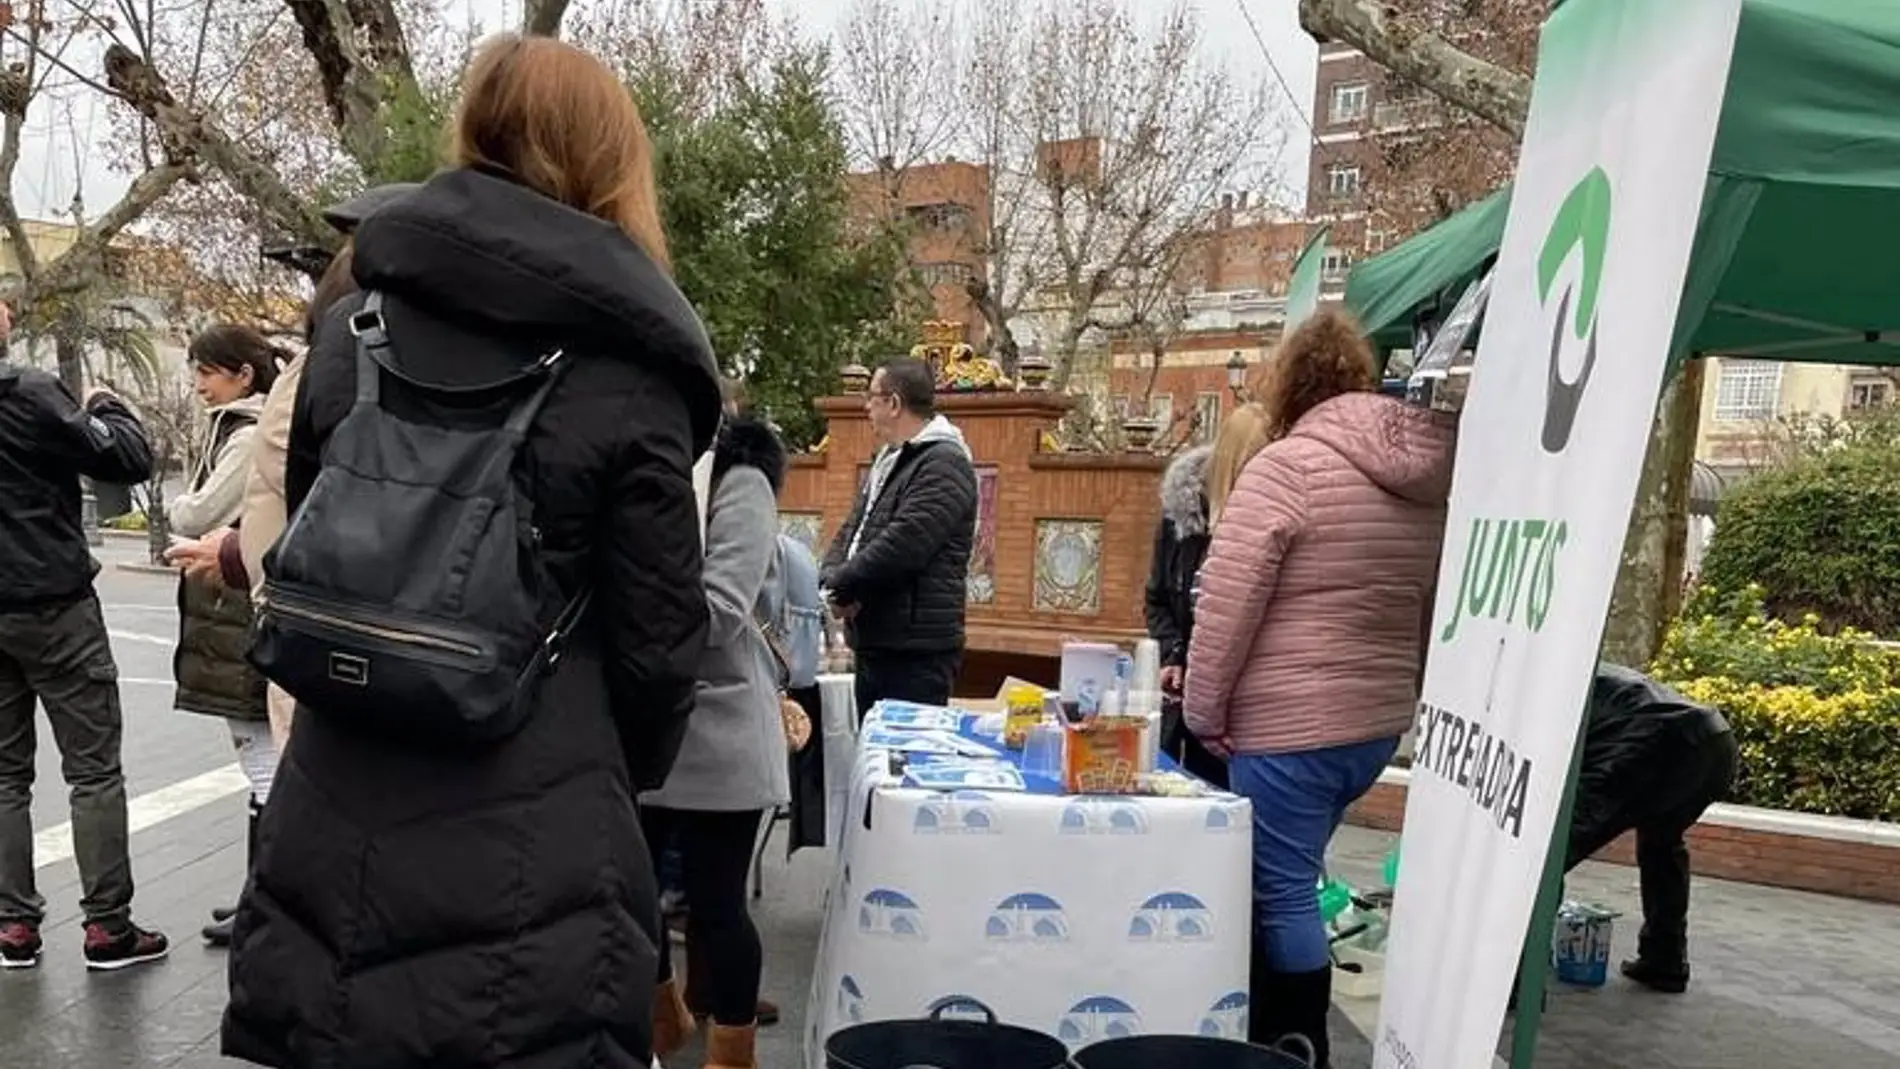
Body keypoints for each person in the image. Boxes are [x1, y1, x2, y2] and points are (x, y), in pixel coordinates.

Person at [221, 33, 721, 1069]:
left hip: (335, 798)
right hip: (535, 830)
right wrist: (595, 767)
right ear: (610, 161)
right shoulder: (633, 376)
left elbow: (314, 542)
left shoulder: (348, 333)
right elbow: (661, 644)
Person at [1185, 309, 1458, 1064]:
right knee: (1295, 877)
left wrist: (1204, 711)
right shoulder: (1423, 483)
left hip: (1288, 724)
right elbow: (1427, 607)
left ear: (1287, 385)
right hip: (1371, 726)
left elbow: (1228, 604)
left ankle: (1298, 1045)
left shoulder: (1286, 468)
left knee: (1281, 892)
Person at [0, 300, 171, 970]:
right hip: (55, 606)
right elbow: (125, 458)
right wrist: (109, 407)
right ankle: (107, 926)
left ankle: (14, 924)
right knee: (93, 769)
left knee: (4, 775)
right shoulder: (31, 393)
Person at [644, 408, 792, 1069]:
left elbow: (724, 608)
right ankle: (662, 1018)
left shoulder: (740, 477)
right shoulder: (634, 462)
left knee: (717, 904)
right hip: (645, 724)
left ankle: (733, 1053)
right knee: (627, 891)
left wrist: (625, 614)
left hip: (722, 729)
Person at [165, 325, 282, 949]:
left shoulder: (248, 432)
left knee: (261, 757)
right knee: (256, 755)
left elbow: (198, 512)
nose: (198, 385)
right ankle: (258, 898)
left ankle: (265, 904)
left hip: (237, 605)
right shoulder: (240, 426)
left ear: (243, 374)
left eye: (207, 372)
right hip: (229, 606)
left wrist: (183, 506)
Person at [1565, 663, 1737, 993]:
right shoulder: (1588, 670)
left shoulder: (1545, 681)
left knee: (1553, 852)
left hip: (1654, 743)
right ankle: (1664, 959)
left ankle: (1509, 973)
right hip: (1714, 740)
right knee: (1662, 843)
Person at [821, 357, 977, 718]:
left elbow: (903, 545)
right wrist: (831, 581)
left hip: (916, 653)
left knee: (905, 750)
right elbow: (853, 530)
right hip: (877, 642)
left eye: (871, 397)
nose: (866, 407)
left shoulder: (944, 463)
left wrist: (842, 588)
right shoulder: (891, 459)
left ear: (893, 403)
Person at [1144, 402, 1272, 789]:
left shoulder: (1271, 521)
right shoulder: (1181, 521)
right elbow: (1158, 598)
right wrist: (1174, 654)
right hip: (1187, 700)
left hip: (1249, 706)